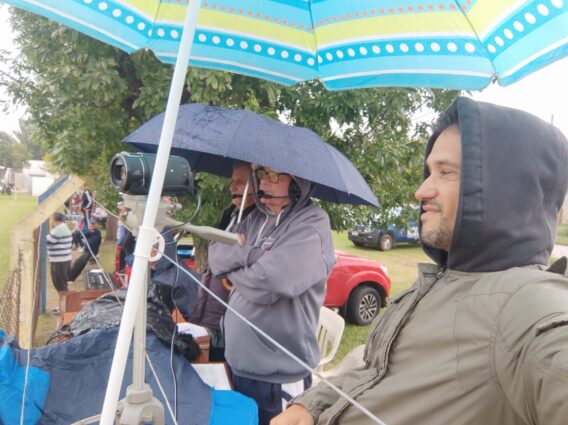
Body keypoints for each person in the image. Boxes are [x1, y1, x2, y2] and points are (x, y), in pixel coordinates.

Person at [271, 97, 568, 425]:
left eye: (446, 172)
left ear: (504, 188)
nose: (421, 191)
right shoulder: (441, 281)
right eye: (429, 172)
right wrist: (310, 406)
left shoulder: (525, 302)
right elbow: (374, 372)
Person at [208, 162, 336, 425]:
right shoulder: (255, 218)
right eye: (262, 174)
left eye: (273, 175)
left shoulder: (311, 224)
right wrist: (254, 255)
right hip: (240, 366)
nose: (263, 182)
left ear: (298, 182)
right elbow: (216, 257)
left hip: (277, 378)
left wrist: (234, 272)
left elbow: (270, 282)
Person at [187, 161, 256, 361]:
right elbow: (215, 255)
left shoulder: (258, 222)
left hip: (226, 320)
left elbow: (237, 262)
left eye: (240, 182)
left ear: (258, 186)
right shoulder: (231, 213)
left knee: (220, 368)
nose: (232, 187)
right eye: (232, 181)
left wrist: (229, 257)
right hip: (207, 310)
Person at [46, 212, 73, 316]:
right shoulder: (62, 228)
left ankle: (64, 308)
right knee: (61, 285)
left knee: (61, 286)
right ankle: (63, 306)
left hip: (59, 261)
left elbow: (48, 241)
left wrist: (47, 236)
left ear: (54, 220)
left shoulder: (59, 229)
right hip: (61, 260)